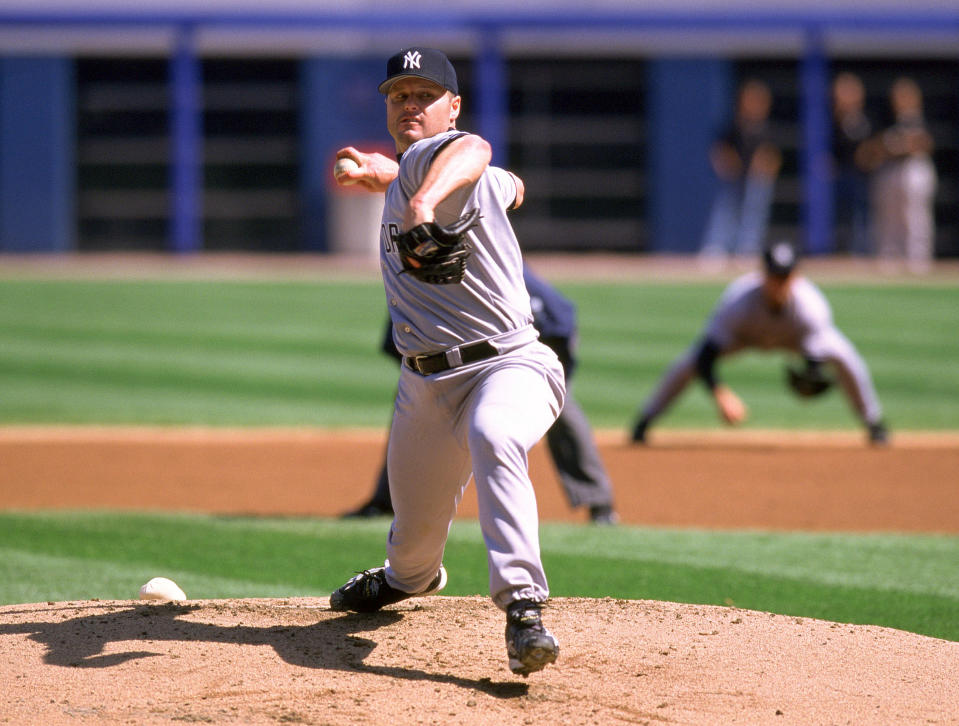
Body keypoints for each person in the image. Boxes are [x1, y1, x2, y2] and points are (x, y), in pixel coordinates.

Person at [328, 47, 565, 677]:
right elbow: (507, 184)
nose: (408, 103)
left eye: (423, 94)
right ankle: (407, 581)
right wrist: (386, 176)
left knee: (494, 435)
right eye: (398, 94)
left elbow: (477, 151)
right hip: (424, 387)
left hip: (508, 365)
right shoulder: (415, 167)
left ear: (452, 108)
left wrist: (422, 203)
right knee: (411, 549)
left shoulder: (450, 157)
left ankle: (524, 609)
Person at [344, 263, 618, 525]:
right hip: (462, 346)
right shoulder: (414, 281)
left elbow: (559, 324)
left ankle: (599, 502)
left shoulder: (496, 270)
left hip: (535, 338)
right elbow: (401, 349)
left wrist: (552, 382)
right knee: (411, 399)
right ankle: (387, 500)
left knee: (560, 408)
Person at [630, 238, 888, 446]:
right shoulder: (738, 300)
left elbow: (815, 361)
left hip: (794, 339)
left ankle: (874, 423)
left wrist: (811, 376)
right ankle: (644, 422)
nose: (778, 283)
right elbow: (706, 356)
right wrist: (721, 395)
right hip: (745, 338)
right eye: (774, 276)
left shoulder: (811, 306)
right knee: (687, 364)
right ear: (763, 274)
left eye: (784, 277)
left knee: (846, 358)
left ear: (796, 276)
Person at [858, 76, 937, 273]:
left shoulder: (920, 118)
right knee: (887, 218)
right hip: (890, 171)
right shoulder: (886, 119)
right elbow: (872, 149)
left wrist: (896, 147)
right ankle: (889, 260)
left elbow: (923, 144)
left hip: (913, 170)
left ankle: (918, 261)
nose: (900, 100)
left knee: (915, 218)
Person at [698, 78, 782, 260]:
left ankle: (748, 248)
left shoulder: (767, 129)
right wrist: (725, 163)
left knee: (755, 213)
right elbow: (719, 148)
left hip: (758, 181)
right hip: (734, 178)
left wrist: (766, 166)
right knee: (726, 212)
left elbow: (774, 156)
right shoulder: (734, 126)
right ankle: (716, 248)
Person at [830, 72, 873, 256]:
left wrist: (868, 155)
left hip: (862, 177)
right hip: (841, 176)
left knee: (861, 216)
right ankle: (841, 252)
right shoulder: (833, 121)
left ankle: (860, 252)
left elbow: (873, 146)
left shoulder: (866, 119)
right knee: (841, 218)